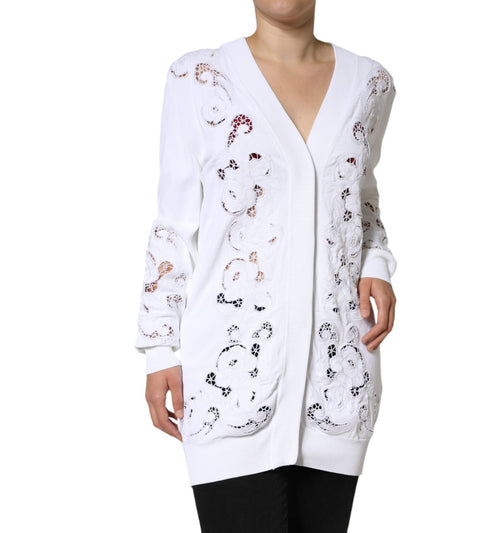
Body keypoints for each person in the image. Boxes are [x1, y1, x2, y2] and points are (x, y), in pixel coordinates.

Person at [134, 1, 397, 531]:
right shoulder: (198, 78)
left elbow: (360, 195)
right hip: (229, 381)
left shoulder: (371, 83)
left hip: (337, 376)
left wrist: (377, 263)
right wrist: (159, 347)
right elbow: (174, 224)